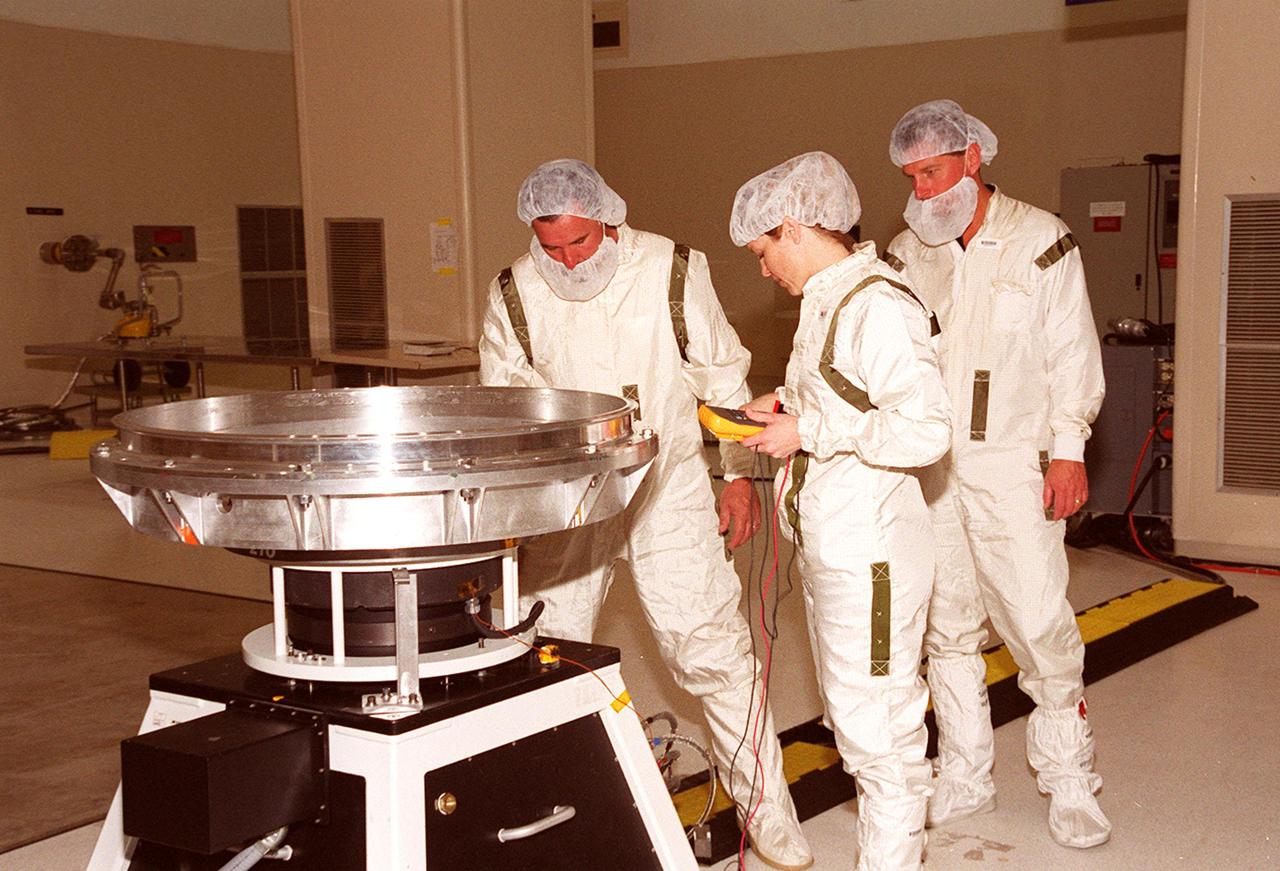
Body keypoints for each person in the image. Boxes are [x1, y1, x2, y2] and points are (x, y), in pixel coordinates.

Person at [478, 159, 813, 870]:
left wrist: (739, 478)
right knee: (544, 656)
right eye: (552, 246)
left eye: (581, 242)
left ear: (610, 218)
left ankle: (769, 816)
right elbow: (505, 406)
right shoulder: (514, 292)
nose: (567, 259)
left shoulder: (670, 268)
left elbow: (722, 378)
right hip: (570, 507)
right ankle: (545, 815)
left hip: (669, 490)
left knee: (716, 653)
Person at [883, 99, 1110, 849]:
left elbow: (1071, 351)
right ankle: (966, 774)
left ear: (974, 157)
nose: (922, 191)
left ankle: (1070, 777)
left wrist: (1070, 446)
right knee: (945, 626)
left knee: (1038, 619)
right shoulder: (908, 251)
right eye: (912, 177)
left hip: (1014, 460)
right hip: (935, 468)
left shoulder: (1041, 241)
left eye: (933, 171)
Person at [730, 151, 952, 870]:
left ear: (793, 228)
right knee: (856, 722)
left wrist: (812, 430)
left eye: (765, 252)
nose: (764, 269)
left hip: (874, 557)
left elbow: (925, 429)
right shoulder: (828, 299)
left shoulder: (877, 305)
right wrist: (786, 408)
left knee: (881, 733)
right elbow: (848, 398)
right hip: (837, 548)